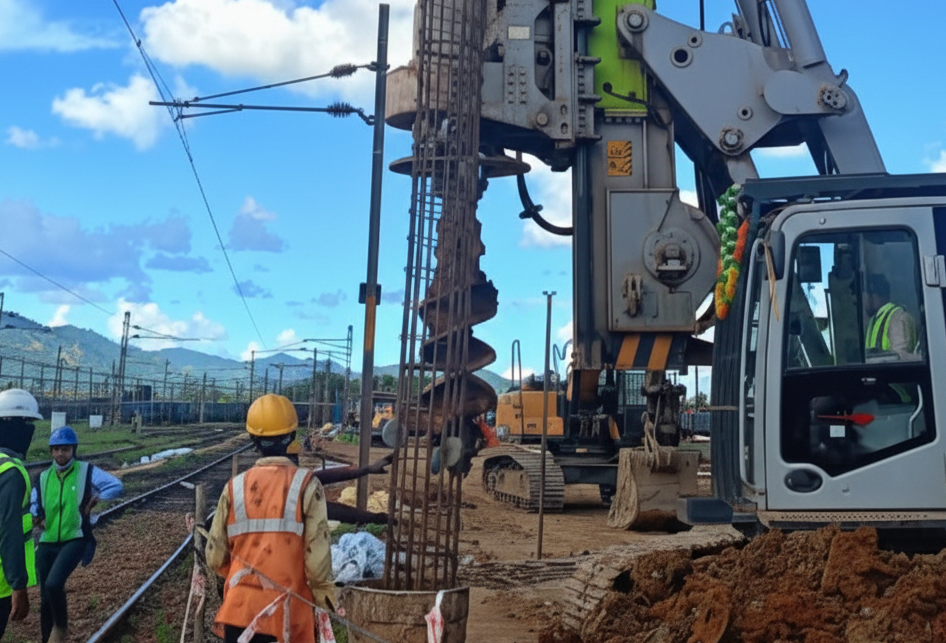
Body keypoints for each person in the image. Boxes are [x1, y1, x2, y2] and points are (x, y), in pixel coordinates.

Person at [206, 394, 335, 643]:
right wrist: (325, 597)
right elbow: (317, 562)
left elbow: (214, 557)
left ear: (253, 439)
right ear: (293, 437)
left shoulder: (234, 487)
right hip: (286, 616)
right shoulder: (307, 485)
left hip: (238, 612)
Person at [32, 426, 123, 643]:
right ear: (51, 451)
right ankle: (47, 638)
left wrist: (97, 498)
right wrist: (36, 514)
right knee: (45, 597)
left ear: (73, 449)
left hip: (75, 538)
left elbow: (116, 485)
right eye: (55, 450)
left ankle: (60, 630)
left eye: (65, 449)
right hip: (47, 540)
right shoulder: (43, 477)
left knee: (54, 584)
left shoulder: (86, 471)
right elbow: (35, 502)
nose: (60, 454)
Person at [0, 389, 39, 640]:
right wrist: (18, 584)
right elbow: (9, 531)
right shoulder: (10, 471)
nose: (29, 430)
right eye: (26, 423)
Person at [864, 273, 918, 360]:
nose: (863, 301)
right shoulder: (874, 320)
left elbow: (901, 359)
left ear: (876, 295)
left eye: (865, 294)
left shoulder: (897, 318)